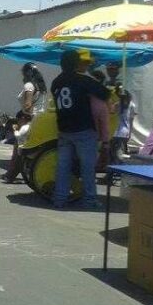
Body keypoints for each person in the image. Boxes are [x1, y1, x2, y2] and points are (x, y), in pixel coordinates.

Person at [51, 50, 110, 209]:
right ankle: (89, 200)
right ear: (77, 63)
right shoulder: (83, 80)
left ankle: (59, 199)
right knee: (87, 167)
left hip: (64, 130)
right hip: (83, 129)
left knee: (63, 167)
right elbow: (105, 94)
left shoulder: (55, 82)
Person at [0, 111, 32, 183]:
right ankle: (9, 175)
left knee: (17, 162)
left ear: (23, 119)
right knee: (16, 161)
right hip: (26, 146)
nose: (18, 122)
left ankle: (9, 176)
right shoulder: (31, 125)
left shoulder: (25, 127)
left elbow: (18, 136)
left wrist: (15, 130)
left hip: (24, 148)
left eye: (18, 120)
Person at [111, 89, 136, 163]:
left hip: (114, 130)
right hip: (124, 131)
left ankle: (113, 168)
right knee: (120, 152)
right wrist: (130, 133)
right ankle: (119, 167)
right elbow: (131, 120)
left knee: (113, 152)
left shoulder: (116, 104)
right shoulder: (131, 105)